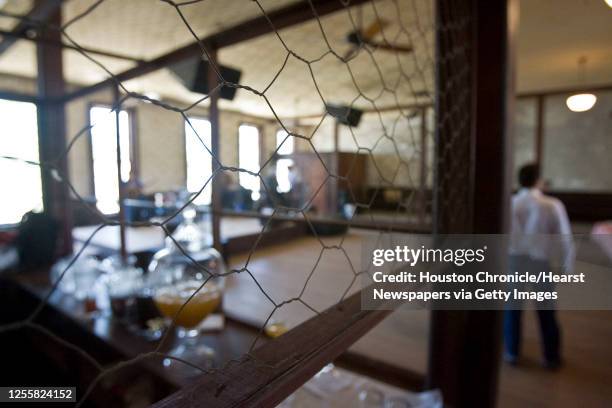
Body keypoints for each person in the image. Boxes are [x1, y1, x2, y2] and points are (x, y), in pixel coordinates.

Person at [505, 163, 574, 369]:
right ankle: (550, 357)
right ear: (538, 180)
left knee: (512, 309)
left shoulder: (510, 203)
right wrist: (565, 265)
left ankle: (512, 352)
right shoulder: (552, 205)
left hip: (515, 260)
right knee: (546, 310)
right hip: (540, 262)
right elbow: (564, 238)